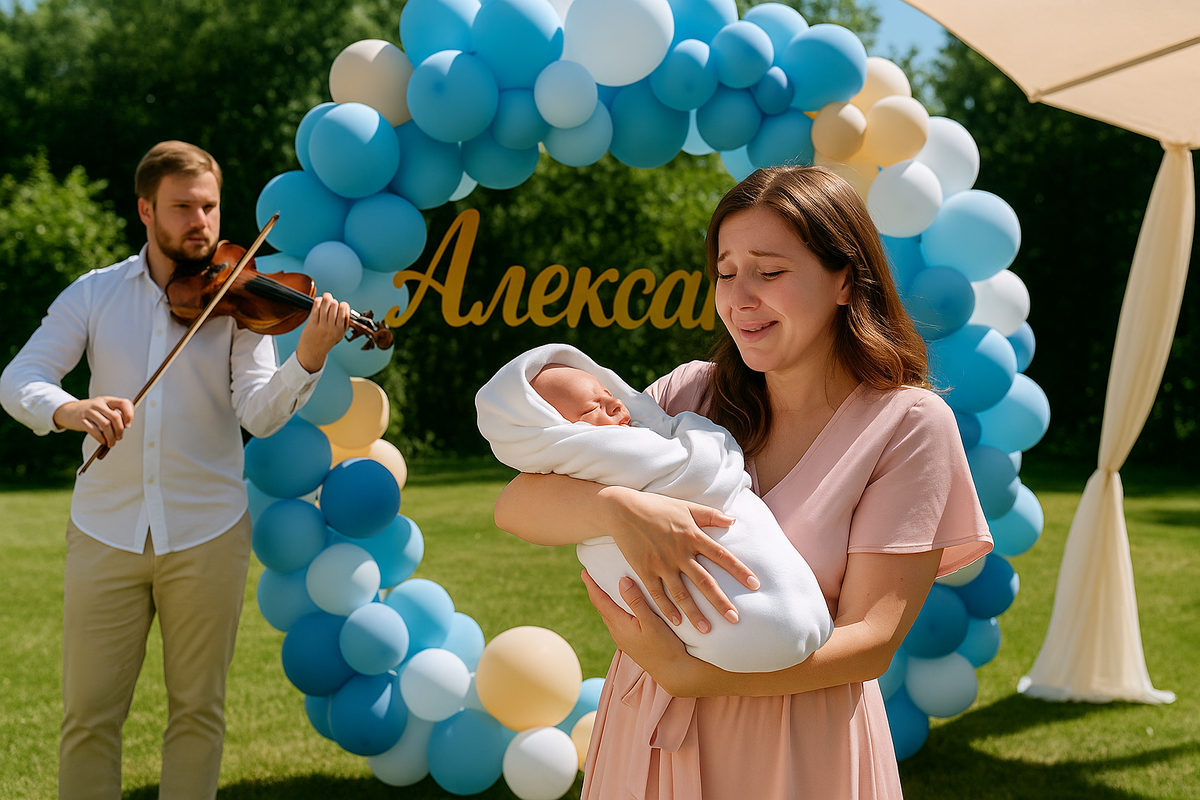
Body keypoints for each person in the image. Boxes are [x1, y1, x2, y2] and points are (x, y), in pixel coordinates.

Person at [492, 165, 992, 799]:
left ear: (844, 279)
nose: (739, 297)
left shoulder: (907, 425)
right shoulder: (685, 396)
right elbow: (517, 505)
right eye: (726, 273)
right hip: (646, 729)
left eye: (769, 271)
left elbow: (870, 642)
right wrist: (620, 509)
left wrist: (692, 674)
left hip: (793, 749)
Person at [0, 141, 351, 800]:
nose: (201, 221)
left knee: (198, 714)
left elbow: (259, 412)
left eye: (210, 206)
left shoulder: (243, 305)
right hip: (104, 529)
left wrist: (306, 356)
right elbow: (19, 377)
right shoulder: (95, 293)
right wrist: (69, 408)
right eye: (183, 206)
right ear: (146, 210)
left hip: (208, 531)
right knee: (88, 717)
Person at [476, 344, 833, 673]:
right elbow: (703, 464)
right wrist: (618, 507)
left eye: (610, 395)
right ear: (554, 435)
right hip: (677, 685)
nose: (617, 406)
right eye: (591, 408)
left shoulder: (651, 418)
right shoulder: (625, 435)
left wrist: (684, 675)